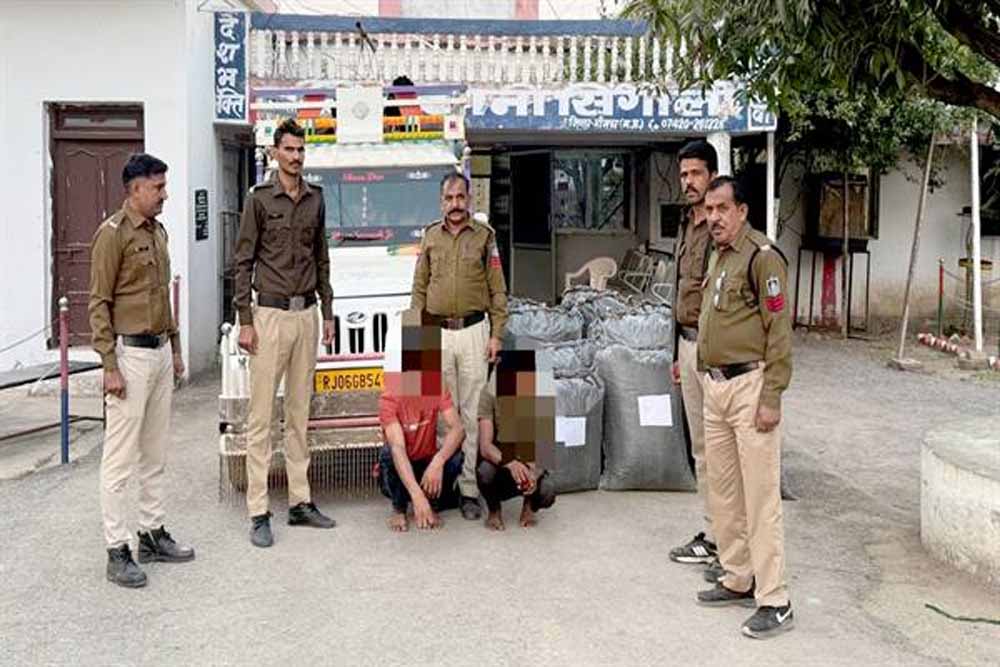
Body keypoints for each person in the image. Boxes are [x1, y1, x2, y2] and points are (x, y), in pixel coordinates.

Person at [88, 153, 194, 588]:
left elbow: (162, 298)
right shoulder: (112, 234)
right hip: (129, 358)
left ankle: (152, 533)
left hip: (159, 353)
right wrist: (109, 365)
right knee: (119, 460)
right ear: (135, 190)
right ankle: (117, 549)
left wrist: (176, 350)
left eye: (164, 186)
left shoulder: (158, 232)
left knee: (154, 453)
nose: (164, 194)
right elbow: (99, 303)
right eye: (157, 187)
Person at [695, 176, 794, 639]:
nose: (713, 217)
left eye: (721, 208)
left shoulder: (762, 256)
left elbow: (779, 329)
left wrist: (772, 395)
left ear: (742, 211)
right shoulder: (719, 255)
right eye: (709, 209)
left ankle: (775, 599)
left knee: (760, 496)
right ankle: (738, 576)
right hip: (716, 386)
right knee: (725, 491)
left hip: (750, 388)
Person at [234, 119, 337, 548]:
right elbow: (243, 261)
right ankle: (259, 511)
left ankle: (299, 501)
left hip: (306, 315)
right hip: (269, 317)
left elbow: (322, 257)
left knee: (298, 415)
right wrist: (245, 319)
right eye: (289, 149)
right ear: (275, 152)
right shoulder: (258, 199)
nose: (296, 157)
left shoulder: (316, 198)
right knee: (261, 417)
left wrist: (328, 311)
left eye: (300, 150)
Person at [410, 173, 508, 520]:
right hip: (436, 333)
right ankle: (441, 484)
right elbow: (419, 288)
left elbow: (498, 290)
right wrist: (415, 337)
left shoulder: (485, 237)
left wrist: (496, 335)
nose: (455, 204)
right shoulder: (430, 236)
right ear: (441, 202)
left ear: (470, 199)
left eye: (460, 197)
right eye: (449, 198)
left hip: (473, 332)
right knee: (440, 413)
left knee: (470, 412)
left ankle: (468, 490)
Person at [668, 140, 722, 582]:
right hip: (687, 346)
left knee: (723, 451)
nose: (688, 182)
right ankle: (714, 534)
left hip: (715, 351)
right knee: (701, 450)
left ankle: (731, 543)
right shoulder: (687, 224)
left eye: (696, 174)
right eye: (684, 174)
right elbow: (678, 291)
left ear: (712, 176)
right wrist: (674, 351)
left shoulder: (723, 226)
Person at [377, 309, 465, 531]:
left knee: (455, 456)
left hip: (425, 462)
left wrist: (438, 462)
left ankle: (432, 503)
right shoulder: (390, 395)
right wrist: (416, 495)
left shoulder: (435, 384)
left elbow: (458, 428)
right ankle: (399, 508)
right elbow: (397, 449)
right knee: (388, 453)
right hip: (400, 465)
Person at [475, 351, 556, 531]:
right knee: (484, 472)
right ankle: (494, 511)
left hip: (529, 459)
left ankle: (529, 506)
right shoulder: (489, 393)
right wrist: (510, 463)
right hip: (501, 462)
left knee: (547, 490)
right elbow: (486, 447)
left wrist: (534, 473)